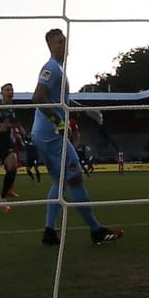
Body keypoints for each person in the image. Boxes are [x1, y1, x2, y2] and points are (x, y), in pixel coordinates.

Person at [31, 28, 122, 245]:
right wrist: (59, 122)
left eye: (64, 42)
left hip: (45, 135)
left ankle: (49, 231)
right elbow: (38, 97)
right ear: (50, 47)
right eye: (57, 43)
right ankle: (96, 231)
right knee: (75, 178)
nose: (62, 46)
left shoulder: (59, 70)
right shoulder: (51, 68)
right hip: (51, 136)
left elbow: (63, 102)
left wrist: (86, 110)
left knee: (60, 181)